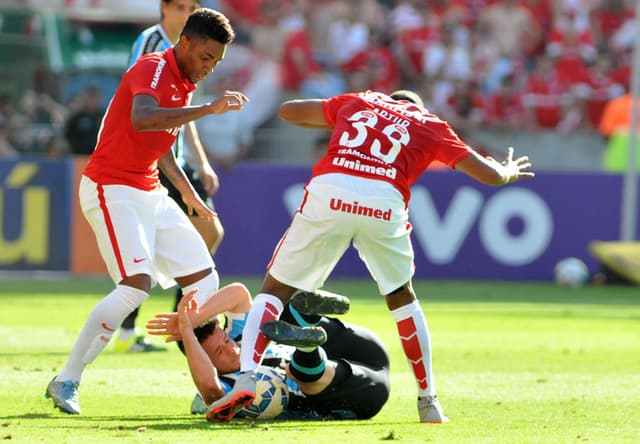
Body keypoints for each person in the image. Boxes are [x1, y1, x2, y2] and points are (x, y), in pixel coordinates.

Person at [206, 89, 535, 424]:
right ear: (416, 108)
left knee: (275, 291)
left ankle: (248, 377)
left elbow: (289, 111)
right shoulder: (431, 125)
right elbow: (490, 176)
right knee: (403, 299)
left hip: (332, 187)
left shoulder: (361, 101)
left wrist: (337, 118)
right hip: (384, 198)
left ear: (389, 100)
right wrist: (507, 170)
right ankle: (428, 402)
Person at [45, 8, 249, 415]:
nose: (210, 67)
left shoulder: (186, 81)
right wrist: (208, 110)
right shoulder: (153, 67)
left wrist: (187, 192)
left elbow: (162, 149)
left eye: (218, 62)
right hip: (110, 186)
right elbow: (142, 120)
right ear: (185, 43)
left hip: (149, 190)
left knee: (206, 278)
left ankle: (217, 376)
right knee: (135, 286)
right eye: (206, 57)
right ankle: (67, 379)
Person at [114, 0, 226, 353]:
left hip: (174, 156)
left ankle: (177, 318)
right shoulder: (154, 45)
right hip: (153, 157)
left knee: (207, 233)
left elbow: (180, 113)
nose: (185, 12)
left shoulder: (197, 55)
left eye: (191, 6)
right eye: (179, 6)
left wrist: (202, 161)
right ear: (163, 9)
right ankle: (143, 327)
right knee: (150, 251)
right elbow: (144, 104)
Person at [146, 286, 390, 421]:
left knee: (271, 315)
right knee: (301, 374)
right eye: (220, 351)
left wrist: (192, 318)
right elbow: (209, 390)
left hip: (366, 350)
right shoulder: (228, 386)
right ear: (209, 364)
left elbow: (239, 294)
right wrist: (187, 334)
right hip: (360, 393)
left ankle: (304, 315)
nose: (232, 347)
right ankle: (307, 347)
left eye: (226, 339)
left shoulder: (243, 338)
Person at [64, 85, 105, 156]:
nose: (92, 100)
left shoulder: (105, 117)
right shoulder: (76, 117)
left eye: (95, 97)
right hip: (79, 157)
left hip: (100, 157)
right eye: (90, 97)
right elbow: (68, 137)